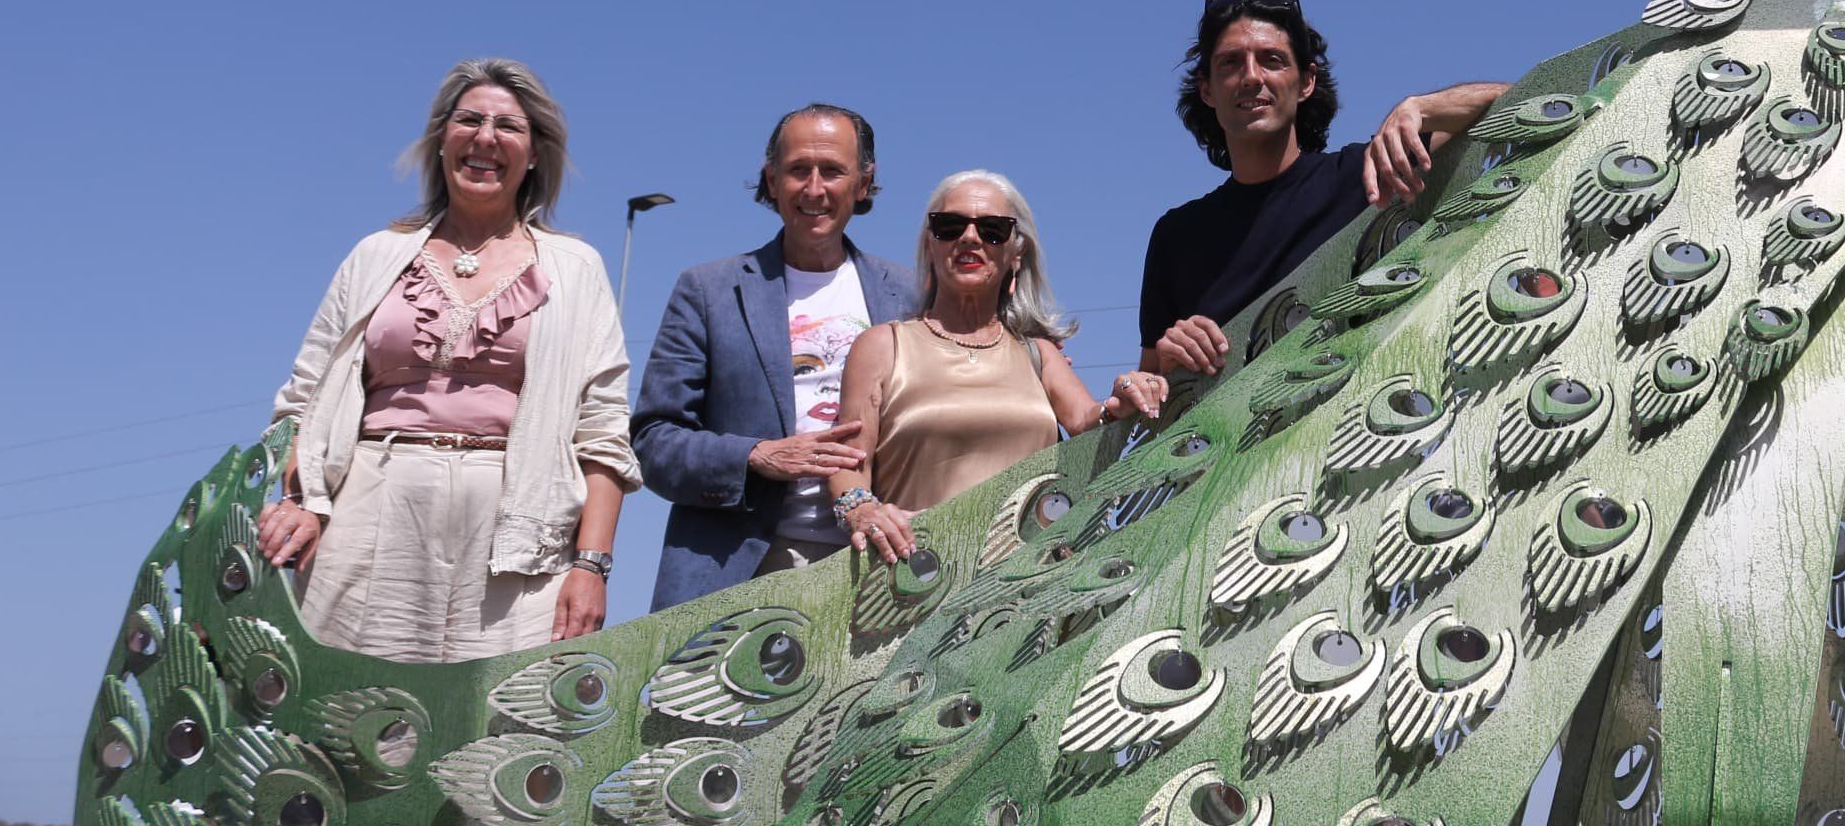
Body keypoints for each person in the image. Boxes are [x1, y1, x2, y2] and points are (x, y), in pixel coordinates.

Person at [253, 58, 639, 661]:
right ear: (441, 141)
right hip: (368, 509)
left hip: (522, 530)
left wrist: (591, 566)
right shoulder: (374, 256)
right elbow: (303, 401)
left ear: (535, 153)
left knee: (495, 732)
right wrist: (301, 502)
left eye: (508, 127)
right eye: (469, 120)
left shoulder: (576, 268)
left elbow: (604, 433)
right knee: (349, 723)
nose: (486, 138)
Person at [1138, 0, 1510, 377]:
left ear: (1306, 82)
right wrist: (1165, 363)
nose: (1251, 77)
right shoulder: (1176, 237)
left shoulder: (1371, 174)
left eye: (1272, 60)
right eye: (1231, 63)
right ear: (1207, 90)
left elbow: (1522, 100)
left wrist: (1422, 107)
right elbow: (1147, 390)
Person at [631, 103, 918, 609]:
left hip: (880, 564)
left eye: (832, 171)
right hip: (736, 570)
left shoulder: (913, 296)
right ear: (770, 179)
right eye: (797, 170)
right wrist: (758, 456)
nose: (814, 189)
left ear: (864, 182)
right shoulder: (707, 290)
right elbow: (654, 443)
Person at [827, 171, 1167, 561]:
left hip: (1030, 587)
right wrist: (863, 511)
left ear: (1016, 253)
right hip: (916, 581)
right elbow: (849, 462)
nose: (970, 238)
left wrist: (1125, 394)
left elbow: (1090, 421)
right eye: (950, 226)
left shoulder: (1038, 353)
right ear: (929, 243)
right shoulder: (882, 346)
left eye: (992, 230)